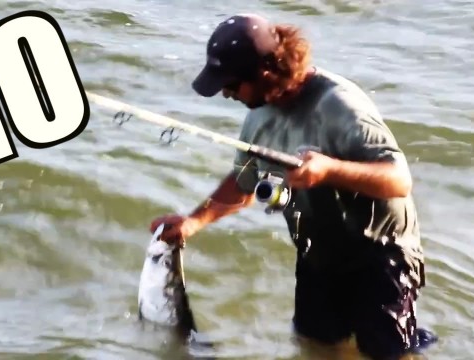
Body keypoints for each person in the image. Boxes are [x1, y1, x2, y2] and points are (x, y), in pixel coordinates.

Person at [149, 13, 437, 359]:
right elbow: (243, 183)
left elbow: (399, 180)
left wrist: (329, 170)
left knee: (386, 354)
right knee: (314, 347)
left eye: (231, 83)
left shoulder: (340, 106)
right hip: (319, 256)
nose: (225, 93)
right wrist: (192, 223)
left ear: (266, 73)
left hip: (381, 256)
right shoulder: (257, 116)